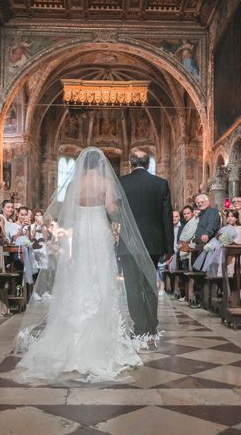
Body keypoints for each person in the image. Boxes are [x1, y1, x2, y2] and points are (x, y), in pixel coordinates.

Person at [15, 147, 154, 382]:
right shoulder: (105, 182)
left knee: (78, 273)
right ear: (100, 164)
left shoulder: (74, 184)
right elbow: (111, 209)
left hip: (80, 231)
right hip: (99, 229)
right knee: (99, 274)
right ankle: (101, 336)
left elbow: (65, 211)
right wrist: (123, 212)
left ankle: (72, 332)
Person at [118, 150, 174, 346]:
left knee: (132, 287)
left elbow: (116, 214)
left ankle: (140, 327)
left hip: (128, 243)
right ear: (148, 164)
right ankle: (152, 325)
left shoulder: (121, 183)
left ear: (131, 164)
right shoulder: (160, 184)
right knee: (150, 285)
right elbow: (166, 216)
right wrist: (169, 247)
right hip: (153, 243)